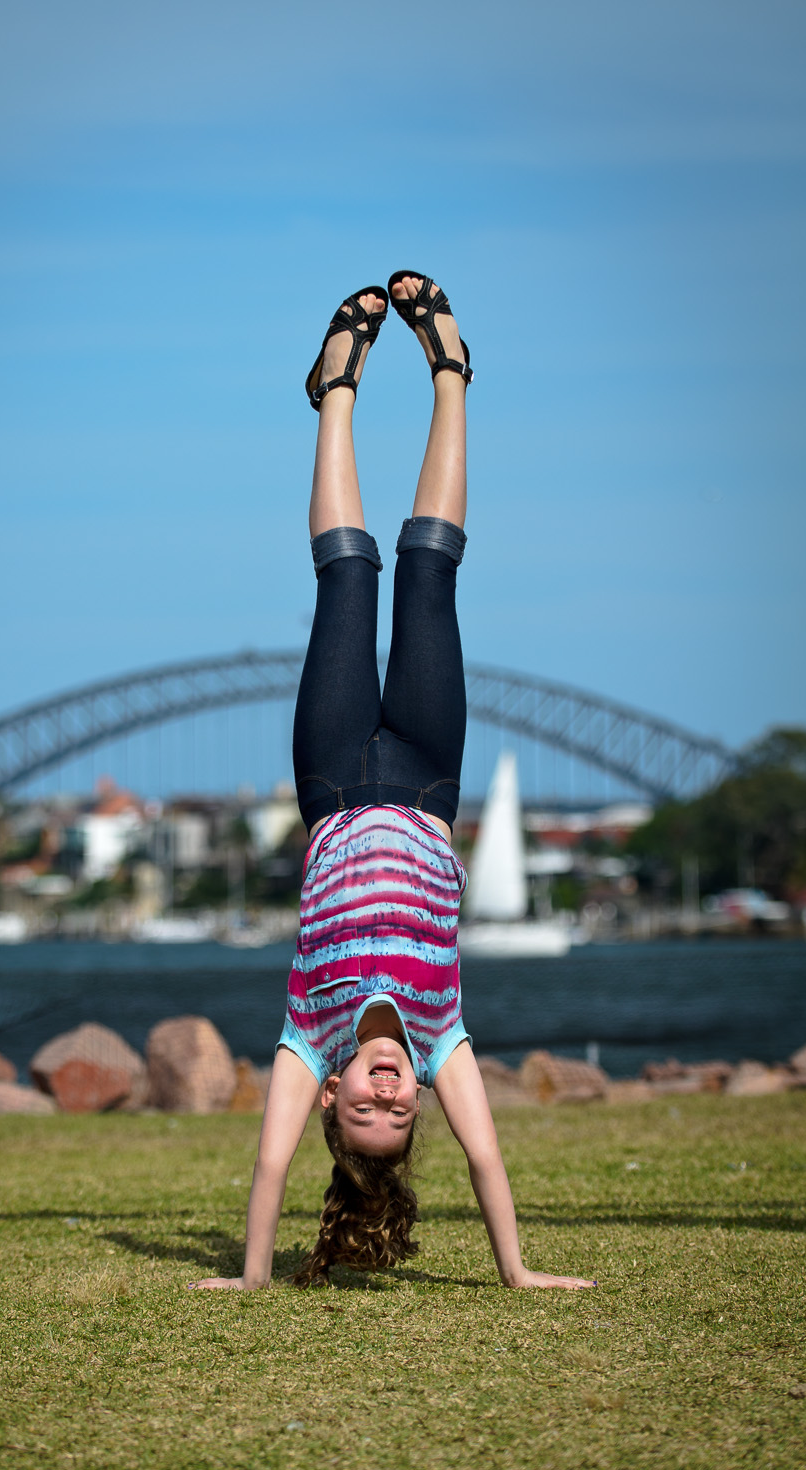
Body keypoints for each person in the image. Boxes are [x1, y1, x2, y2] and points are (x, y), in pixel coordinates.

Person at [192, 273, 595, 1293]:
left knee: (347, 571)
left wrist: (249, 1277)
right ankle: (451, 370)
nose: (386, 1095)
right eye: (398, 1109)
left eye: (364, 1108)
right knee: (428, 567)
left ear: (330, 1096)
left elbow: (271, 1165)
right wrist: (518, 1275)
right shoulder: (444, 1035)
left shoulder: (306, 1036)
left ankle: (335, 388)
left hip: (331, 783)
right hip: (422, 779)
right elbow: (491, 1159)